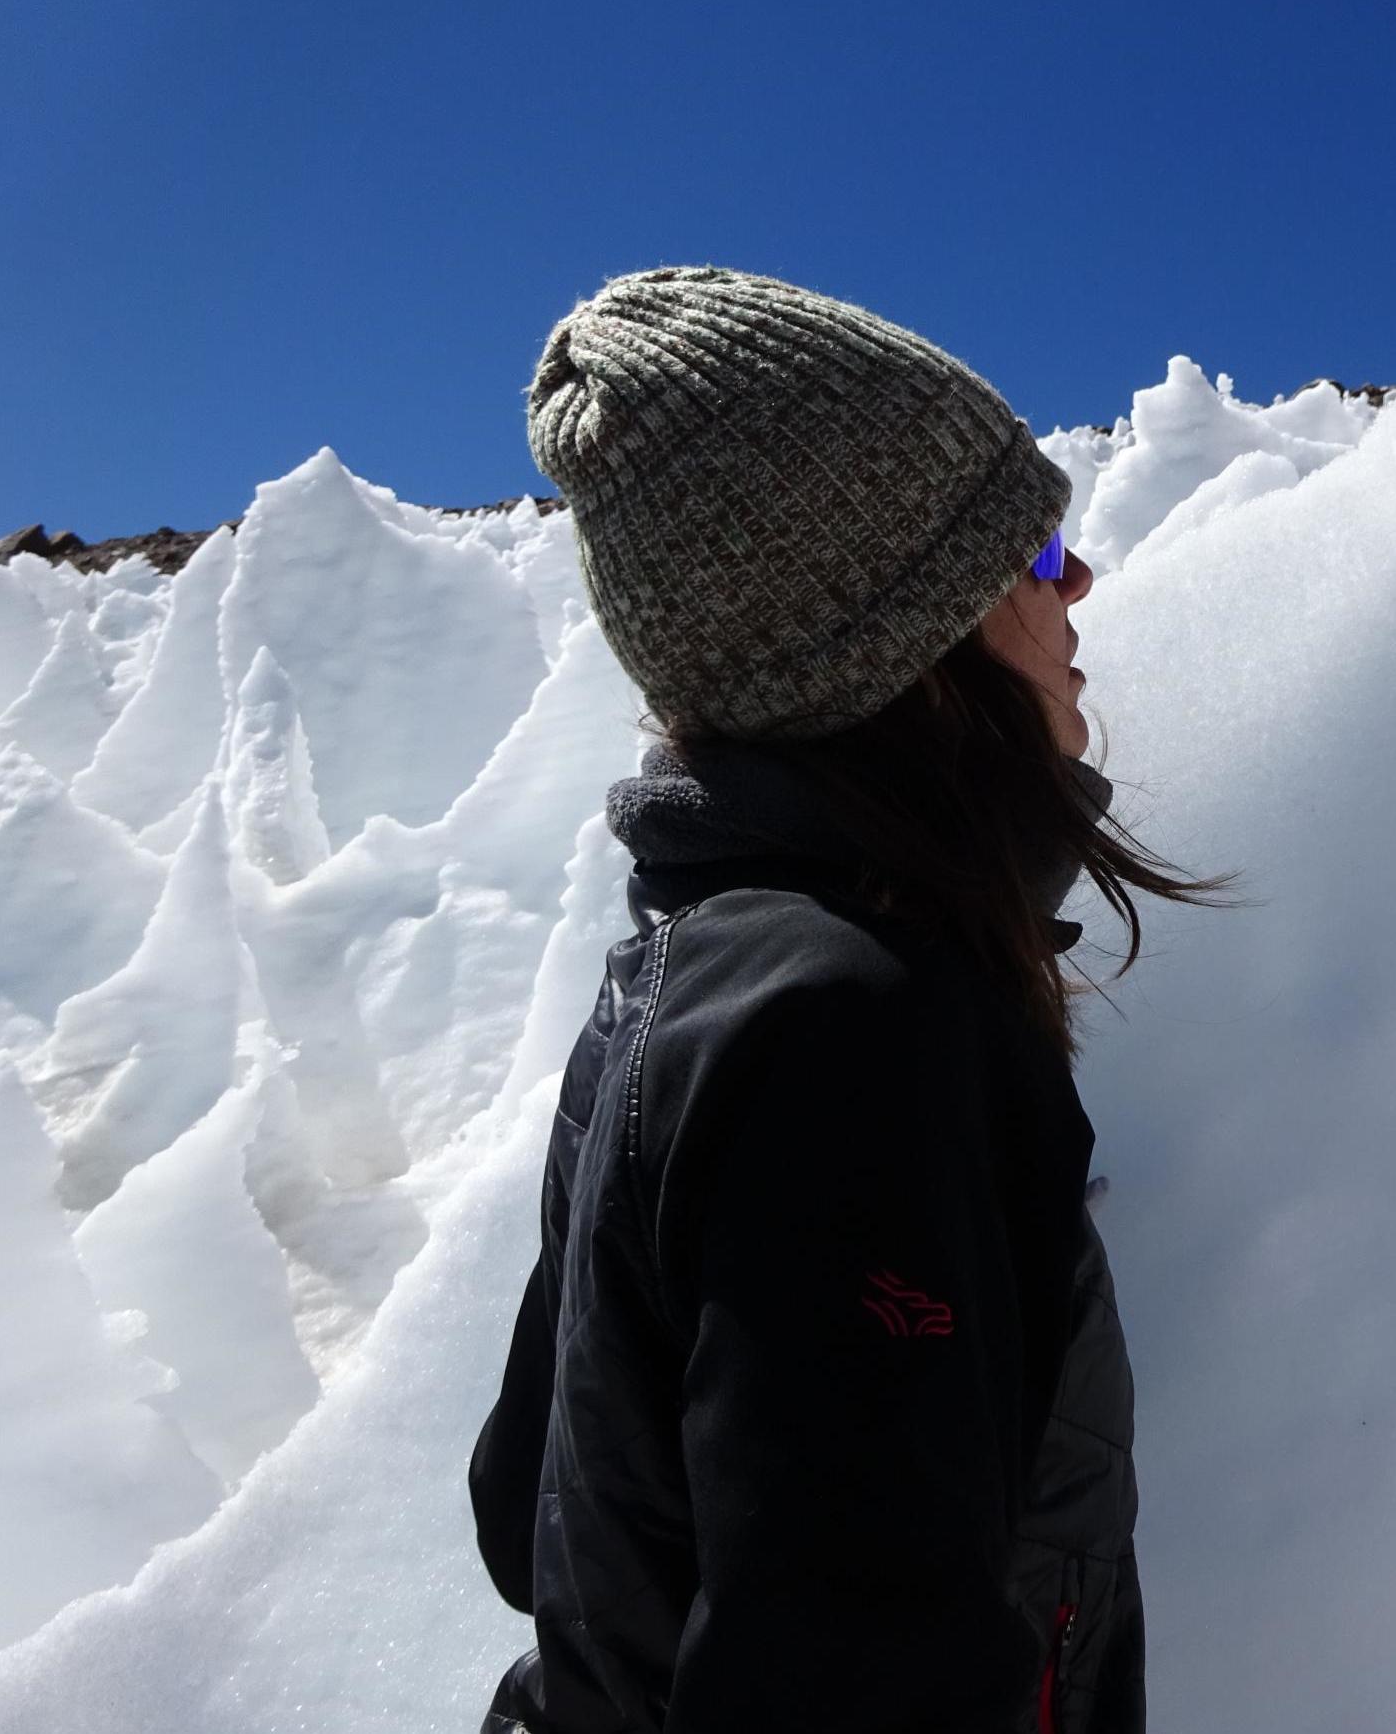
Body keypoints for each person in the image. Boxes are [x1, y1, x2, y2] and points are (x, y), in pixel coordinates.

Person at [466, 267, 1241, 1733]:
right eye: (1032, 545)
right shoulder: (850, 1027)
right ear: (899, 630)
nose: (1074, 581)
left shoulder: (683, 987)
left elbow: (533, 1503)